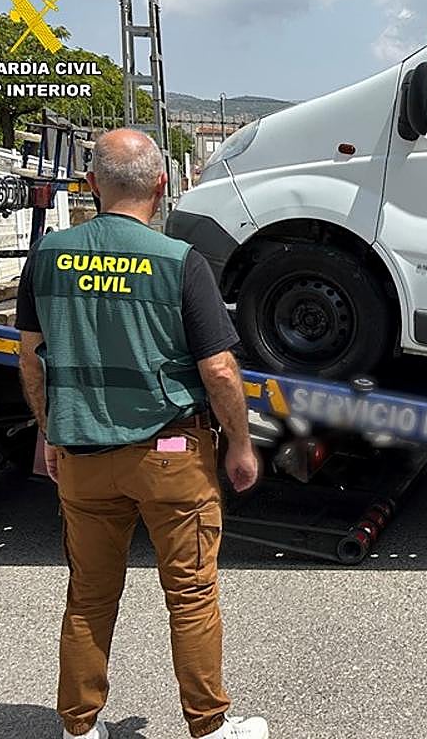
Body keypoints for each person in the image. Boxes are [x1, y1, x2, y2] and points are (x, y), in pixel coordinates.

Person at [15, 129, 269, 739]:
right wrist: (239, 443)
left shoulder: (47, 257)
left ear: (91, 184)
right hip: (170, 454)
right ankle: (209, 726)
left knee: (89, 596)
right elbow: (218, 369)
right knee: (190, 595)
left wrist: (50, 432)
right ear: (161, 184)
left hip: (82, 456)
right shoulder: (179, 261)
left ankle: (80, 728)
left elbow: (30, 357)